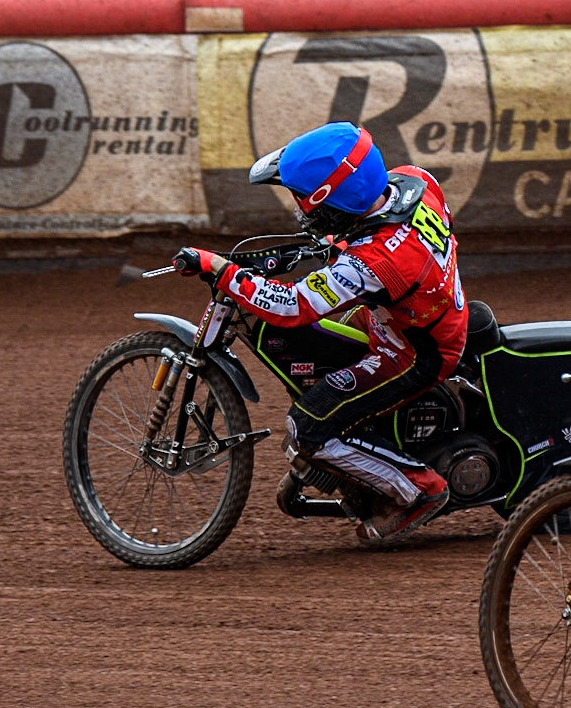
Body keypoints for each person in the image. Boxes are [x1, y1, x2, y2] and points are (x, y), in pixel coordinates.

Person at [173, 121, 466, 542]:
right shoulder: (415, 181)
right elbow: (380, 236)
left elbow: (292, 307)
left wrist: (221, 269)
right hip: (411, 313)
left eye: (302, 199)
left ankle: (418, 491)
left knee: (306, 428)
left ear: (335, 198)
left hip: (415, 352)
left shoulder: (375, 263)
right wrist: (334, 243)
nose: (298, 208)